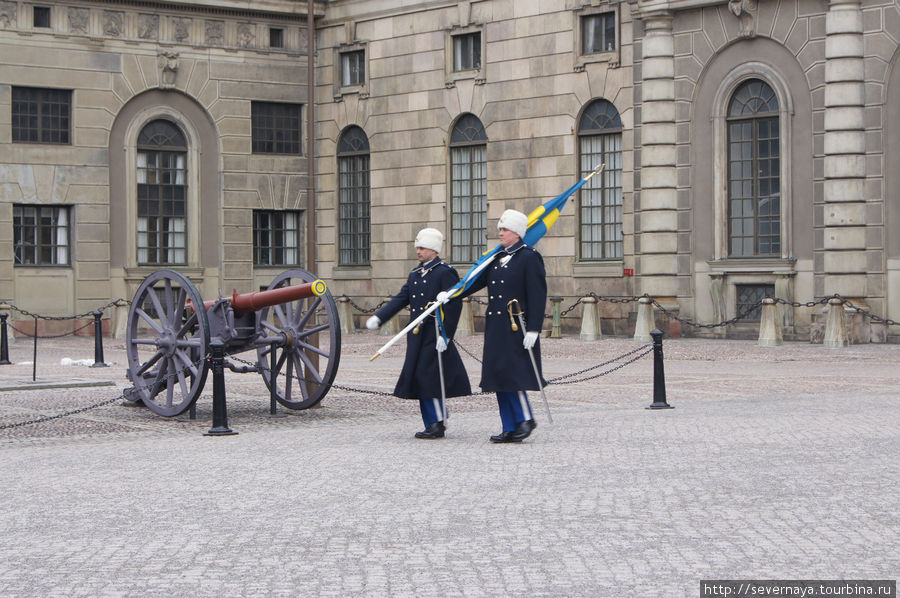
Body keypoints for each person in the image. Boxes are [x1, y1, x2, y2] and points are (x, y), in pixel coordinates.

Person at [439, 209, 546, 443]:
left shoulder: (529, 257)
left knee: (514, 376)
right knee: (499, 376)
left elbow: (538, 296)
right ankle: (509, 425)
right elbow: (473, 283)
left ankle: (525, 419)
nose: (500, 233)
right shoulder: (496, 259)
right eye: (500, 229)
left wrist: (534, 329)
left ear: (517, 233)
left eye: (505, 229)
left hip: (516, 326)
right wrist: (449, 295)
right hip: (497, 326)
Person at [366, 228, 471, 439]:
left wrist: (446, 335)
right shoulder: (416, 273)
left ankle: (438, 422)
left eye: (422, 248)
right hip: (416, 334)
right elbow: (401, 298)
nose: (419, 251)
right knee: (419, 377)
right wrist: (380, 317)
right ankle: (432, 421)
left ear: (433, 249)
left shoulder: (444, 272)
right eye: (418, 248)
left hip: (434, 333)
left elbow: (453, 305)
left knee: (429, 377)